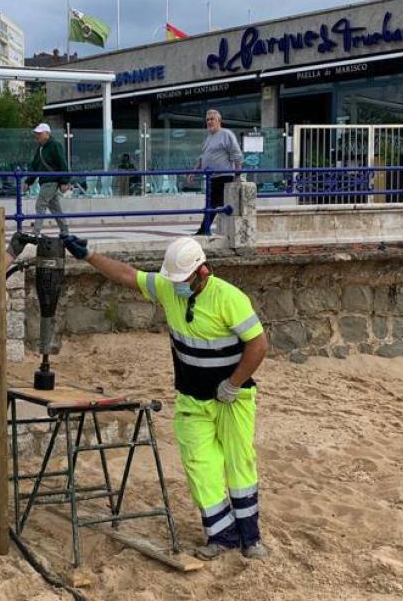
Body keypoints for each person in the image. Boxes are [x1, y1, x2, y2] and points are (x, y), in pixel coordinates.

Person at [60, 233, 270, 560]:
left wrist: (233, 384)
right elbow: (128, 275)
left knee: (239, 463)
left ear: (202, 272)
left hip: (232, 398)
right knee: (200, 465)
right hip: (191, 399)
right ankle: (222, 536)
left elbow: (258, 345)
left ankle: (250, 537)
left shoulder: (230, 298)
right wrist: (89, 256)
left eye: (183, 280)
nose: (177, 286)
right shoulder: (171, 289)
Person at [188, 109, 243, 235]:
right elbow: (202, 157)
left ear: (219, 120)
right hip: (212, 177)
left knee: (213, 204)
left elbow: (236, 154)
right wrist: (193, 172)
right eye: (207, 120)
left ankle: (204, 230)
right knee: (213, 204)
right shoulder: (208, 138)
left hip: (224, 176)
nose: (209, 122)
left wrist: (237, 175)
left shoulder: (226, 134)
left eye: (212, 119)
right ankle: (205, 230)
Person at [25, 122, 71, 235]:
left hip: (51, 181)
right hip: (48, 181)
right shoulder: (41, 149)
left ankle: (35, 232)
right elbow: (35, 166)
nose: (37, 136)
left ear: (47, 134)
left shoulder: (55, 146)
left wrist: (64, 181)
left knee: (40, 204)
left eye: (39, 134)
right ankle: (65, 230)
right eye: (37, 134)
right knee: (55, 208)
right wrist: (28, 181)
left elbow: (62, 163)